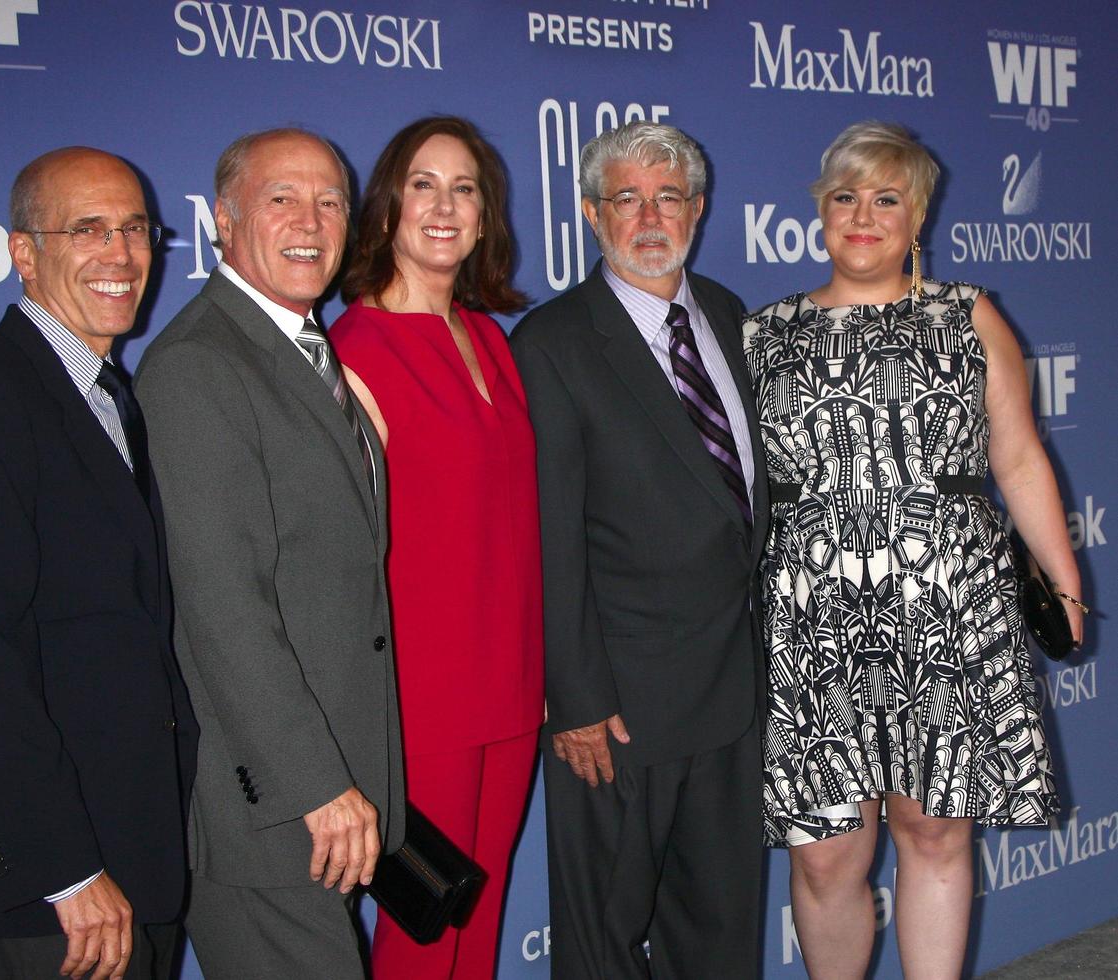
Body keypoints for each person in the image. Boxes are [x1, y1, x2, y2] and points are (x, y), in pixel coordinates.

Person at [743, 120, 1083, 980]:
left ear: (917, 216)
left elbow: (1015, 455)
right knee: (825, 853)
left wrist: (1066, 587)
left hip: (947, 608)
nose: (863, 215)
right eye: (844, 197)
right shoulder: (762, 334)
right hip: (812, 619)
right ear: (819, 212)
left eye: (885, 198)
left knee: (933, 829)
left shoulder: (965, 314)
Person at [0, 147, 197, 980]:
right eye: (88, 229)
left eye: (135, 228)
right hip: (54, 893)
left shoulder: (109, 395)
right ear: (24, 254)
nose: (121, 254)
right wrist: (66, 869)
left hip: (135, 859)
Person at [133, 128, 403, 980]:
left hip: (336, 801)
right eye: (281, 198)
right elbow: (222, 609)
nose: (310, 220)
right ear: (223, 220)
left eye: (329, 201)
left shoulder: (305, 351)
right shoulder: (198, 368)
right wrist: (315, 787)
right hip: (275, 808)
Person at [510, 120, 768, 978]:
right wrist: (575, 697)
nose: (649, 217)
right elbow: (546, 532)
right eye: (627, 198)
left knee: (722, 925)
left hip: (733, 693)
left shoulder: (730, 317)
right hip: (618, 709)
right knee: (602, 944)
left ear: (698, 208)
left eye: (669, 198)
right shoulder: (550, 344)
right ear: (591, 214)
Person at [329, 115, 544, 978]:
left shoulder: (491, 337)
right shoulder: (354, 350)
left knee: (477, 926)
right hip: (421, 698)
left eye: (465, 189)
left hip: (511, 684)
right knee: (423, 932)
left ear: (487, 218)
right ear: (386, 209)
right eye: (424, 184)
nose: (445, 206)